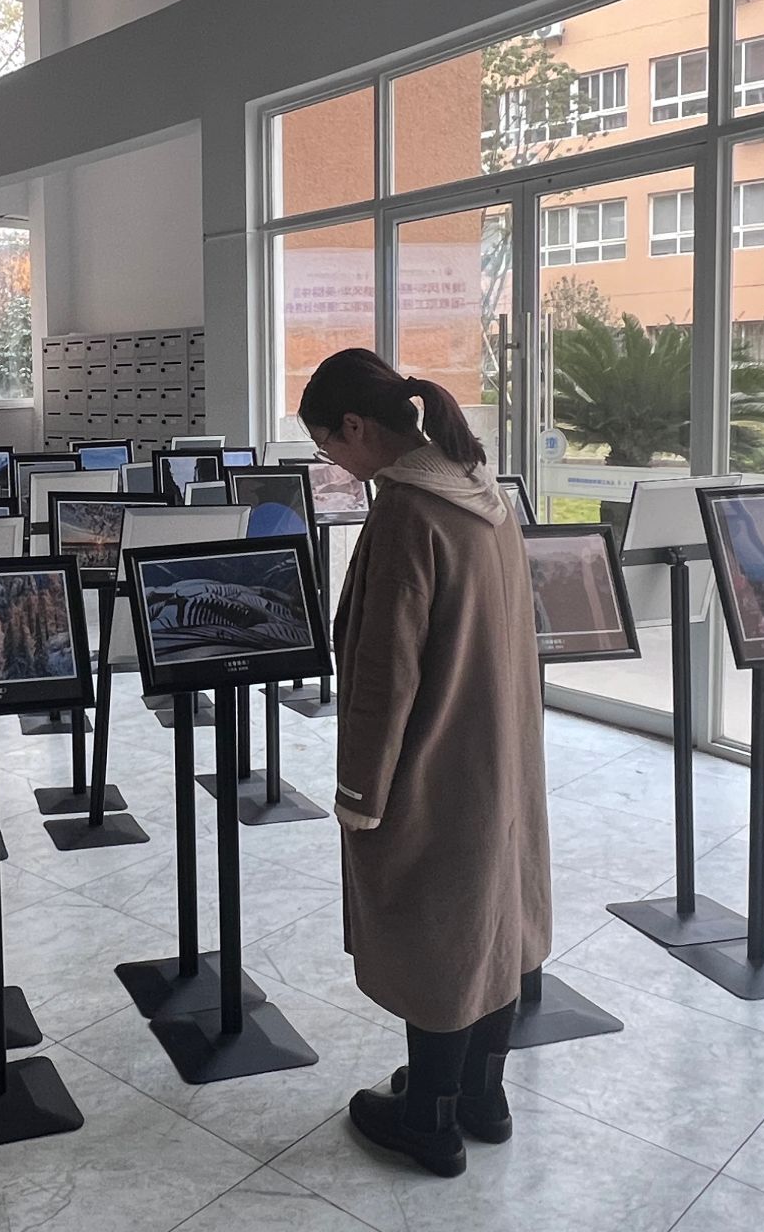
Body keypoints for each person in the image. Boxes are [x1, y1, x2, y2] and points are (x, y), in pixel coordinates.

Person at [299, 348, 550, 1179]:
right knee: (496, 921)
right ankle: (483, 1095)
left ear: (357, 427)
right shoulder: (482, 491)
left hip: (434, 761)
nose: (333, 464)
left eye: (329, 446)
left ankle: (429, 1120)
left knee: (435, 930)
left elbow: (385, 671)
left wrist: (361, 793)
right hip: (500, 753)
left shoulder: (408, 512)